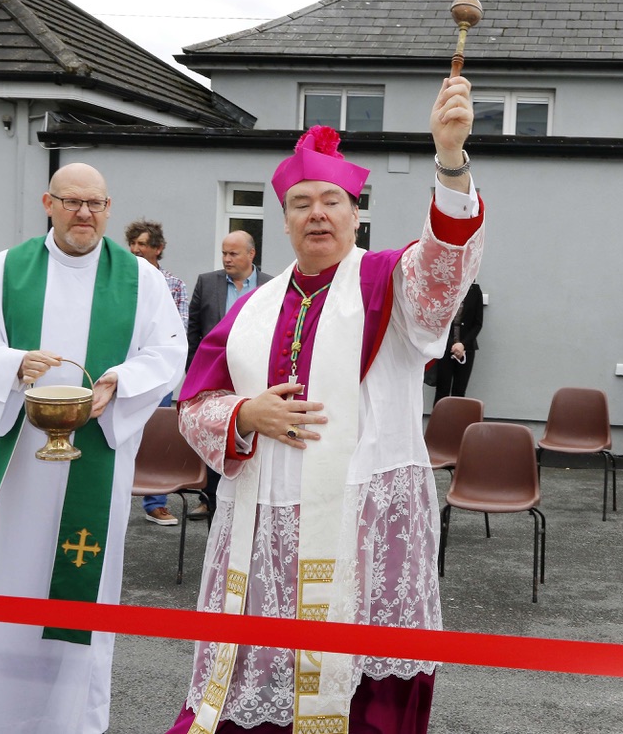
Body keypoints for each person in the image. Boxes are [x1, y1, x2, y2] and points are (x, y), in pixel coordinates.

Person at [165, 75, 482, 734]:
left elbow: (444, 265)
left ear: (354, 213)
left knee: (361, 690)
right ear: (282, 221)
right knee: (260, 690)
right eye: (301, 203)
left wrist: (450, 160)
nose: (317, 213)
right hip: (267, 533)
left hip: (362, 526)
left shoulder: (388, 281)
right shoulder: (252, 308)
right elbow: (195, 403)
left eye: (331, 201)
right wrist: (244, 416)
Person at [0, 163, 187, 734]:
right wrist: (13, 363)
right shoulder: (5, 270)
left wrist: (119, 381)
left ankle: (67, 721)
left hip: (94, 455)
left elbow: (169, 350)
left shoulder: (141, 280)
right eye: (72, 201)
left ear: (109, 208)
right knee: (4, 579)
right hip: (16, 465)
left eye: (95, 203)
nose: (84, 213)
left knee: (80, 592)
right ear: (49, 204)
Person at [185, 230, 271, 517]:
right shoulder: (207, 283)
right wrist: (194, 374)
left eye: (233, 253)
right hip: (215, 379)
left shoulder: (271, 286)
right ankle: (211, 503)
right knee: (215, 436)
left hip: (254, 381)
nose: (227, 259)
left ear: (251, 254)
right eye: (224, 253)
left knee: (251, 439)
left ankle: (251, 503)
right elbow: (194, 333)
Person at [126, 217, 190, 525]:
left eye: (142, 244)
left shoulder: (174, 285)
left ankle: (155, 503)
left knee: (155, 433)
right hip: (121, 368)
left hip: (157, 370)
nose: (135, 249)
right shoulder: (120, 279)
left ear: (158, 248)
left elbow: (178, 331)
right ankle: (112, 494)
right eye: (132, 243)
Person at [432, 280, 483, 404]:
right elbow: (437, 320)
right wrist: (451, 344)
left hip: (466, 348)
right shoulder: (445, 289)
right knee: (442, 390)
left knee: (459, 391)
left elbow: (478, 323)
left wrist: (462, 344)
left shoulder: (475, 291)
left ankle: (457, 417)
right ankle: (440, 417)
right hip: (445, 347)